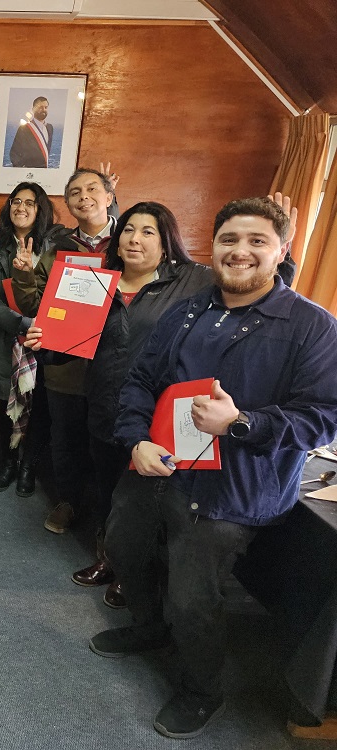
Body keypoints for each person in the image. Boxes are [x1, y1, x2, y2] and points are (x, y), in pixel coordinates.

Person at [90, 197, 337, 739]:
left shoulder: (312, 327)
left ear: (281, 250)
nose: (240, 252)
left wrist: (242, 423)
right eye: (229, 240)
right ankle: (148, 627)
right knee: (125, 546)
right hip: (159, 465)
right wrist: (134, 441)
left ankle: (203, 689)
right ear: (213, 247)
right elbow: (140, 382)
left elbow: (323, 420)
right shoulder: (192, 309)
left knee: (193, 595)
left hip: (233, 491)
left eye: (256, 241)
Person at [25, 203, 212, 608]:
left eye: (148, 232)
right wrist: (46, 345)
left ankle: (133, 573)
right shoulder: (94, 283)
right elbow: (67, 350)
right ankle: (108, 559)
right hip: (104, 404)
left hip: (155, 415)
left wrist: (282, 257)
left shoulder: (191, 282)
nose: (135, 238)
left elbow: (249, 282)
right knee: (108, 489)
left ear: (166, 242)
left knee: (144, 499)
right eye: (129, 229)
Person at [11, 167, 118, 534]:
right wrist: (25, 273)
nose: (83, 196)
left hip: (114, 363)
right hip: (65, 364)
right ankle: (68, 501)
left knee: (108, 444)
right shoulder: (58, 248)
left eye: (92, 189)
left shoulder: (129, 242)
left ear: (109, 196)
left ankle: (108, 518)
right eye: (74, 192)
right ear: (68, 203)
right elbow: (33, 305)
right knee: (66, 439)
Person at [0, 181, 58, 495]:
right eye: (15, 201)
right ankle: (9, 463)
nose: (20, 208)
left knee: (39, 407)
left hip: (47, 342)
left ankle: (28, 468)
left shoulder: (53, 248)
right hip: (9, 340)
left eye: (29, 202)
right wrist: (25, 322)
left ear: (40, 210)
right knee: (5, 405)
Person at [9, 96, 53, 169]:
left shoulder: (50, 128)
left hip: (44, 172)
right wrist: (21, 171)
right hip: (29, 172)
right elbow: (14, 153)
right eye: (40, 107)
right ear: (33, 109)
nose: (43, 110)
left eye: (46, 107)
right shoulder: (24, 128)